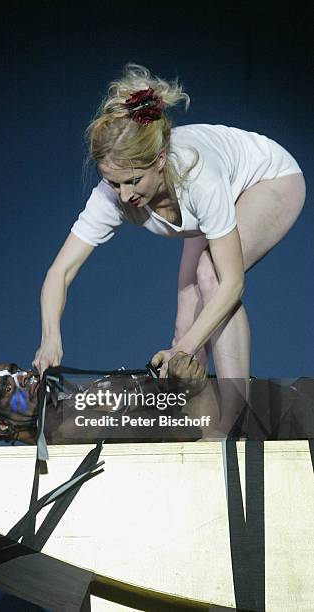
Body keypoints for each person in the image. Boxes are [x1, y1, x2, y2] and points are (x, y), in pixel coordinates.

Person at [32, 64, 305, 418]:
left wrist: (185, 351)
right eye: (114, 184)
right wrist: (50, 335)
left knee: (212, 276)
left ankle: (237, 419)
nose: (125, 195)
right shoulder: (113, 194)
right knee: (183, 330)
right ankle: (199, 424)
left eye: (133, 181)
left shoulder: (198, 176)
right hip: (210, 208)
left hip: (271, 180)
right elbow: (61, 271)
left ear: (160, 160)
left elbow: (233, 284)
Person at [0, 354, 208, 444]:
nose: (22, 377)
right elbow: (185, 432)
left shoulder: (66, 404)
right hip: (218, 433)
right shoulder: (62, 431)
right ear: (3, 426)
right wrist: (179, 388)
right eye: (6, 388)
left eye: (15, 370)